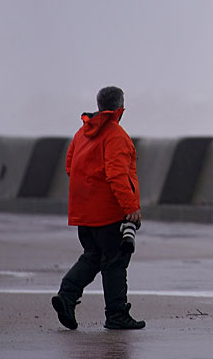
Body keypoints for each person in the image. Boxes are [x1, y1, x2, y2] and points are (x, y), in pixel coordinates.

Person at [52, 86, 145, 330]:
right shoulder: (116, 135)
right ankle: (116, 315)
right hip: (108, 213)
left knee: (93, 256)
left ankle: (67, 295)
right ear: (120, 109)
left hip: (83, 211)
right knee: (115, 261)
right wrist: (131, 207)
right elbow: (116, 175)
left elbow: (70, 166)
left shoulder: (82, 132)